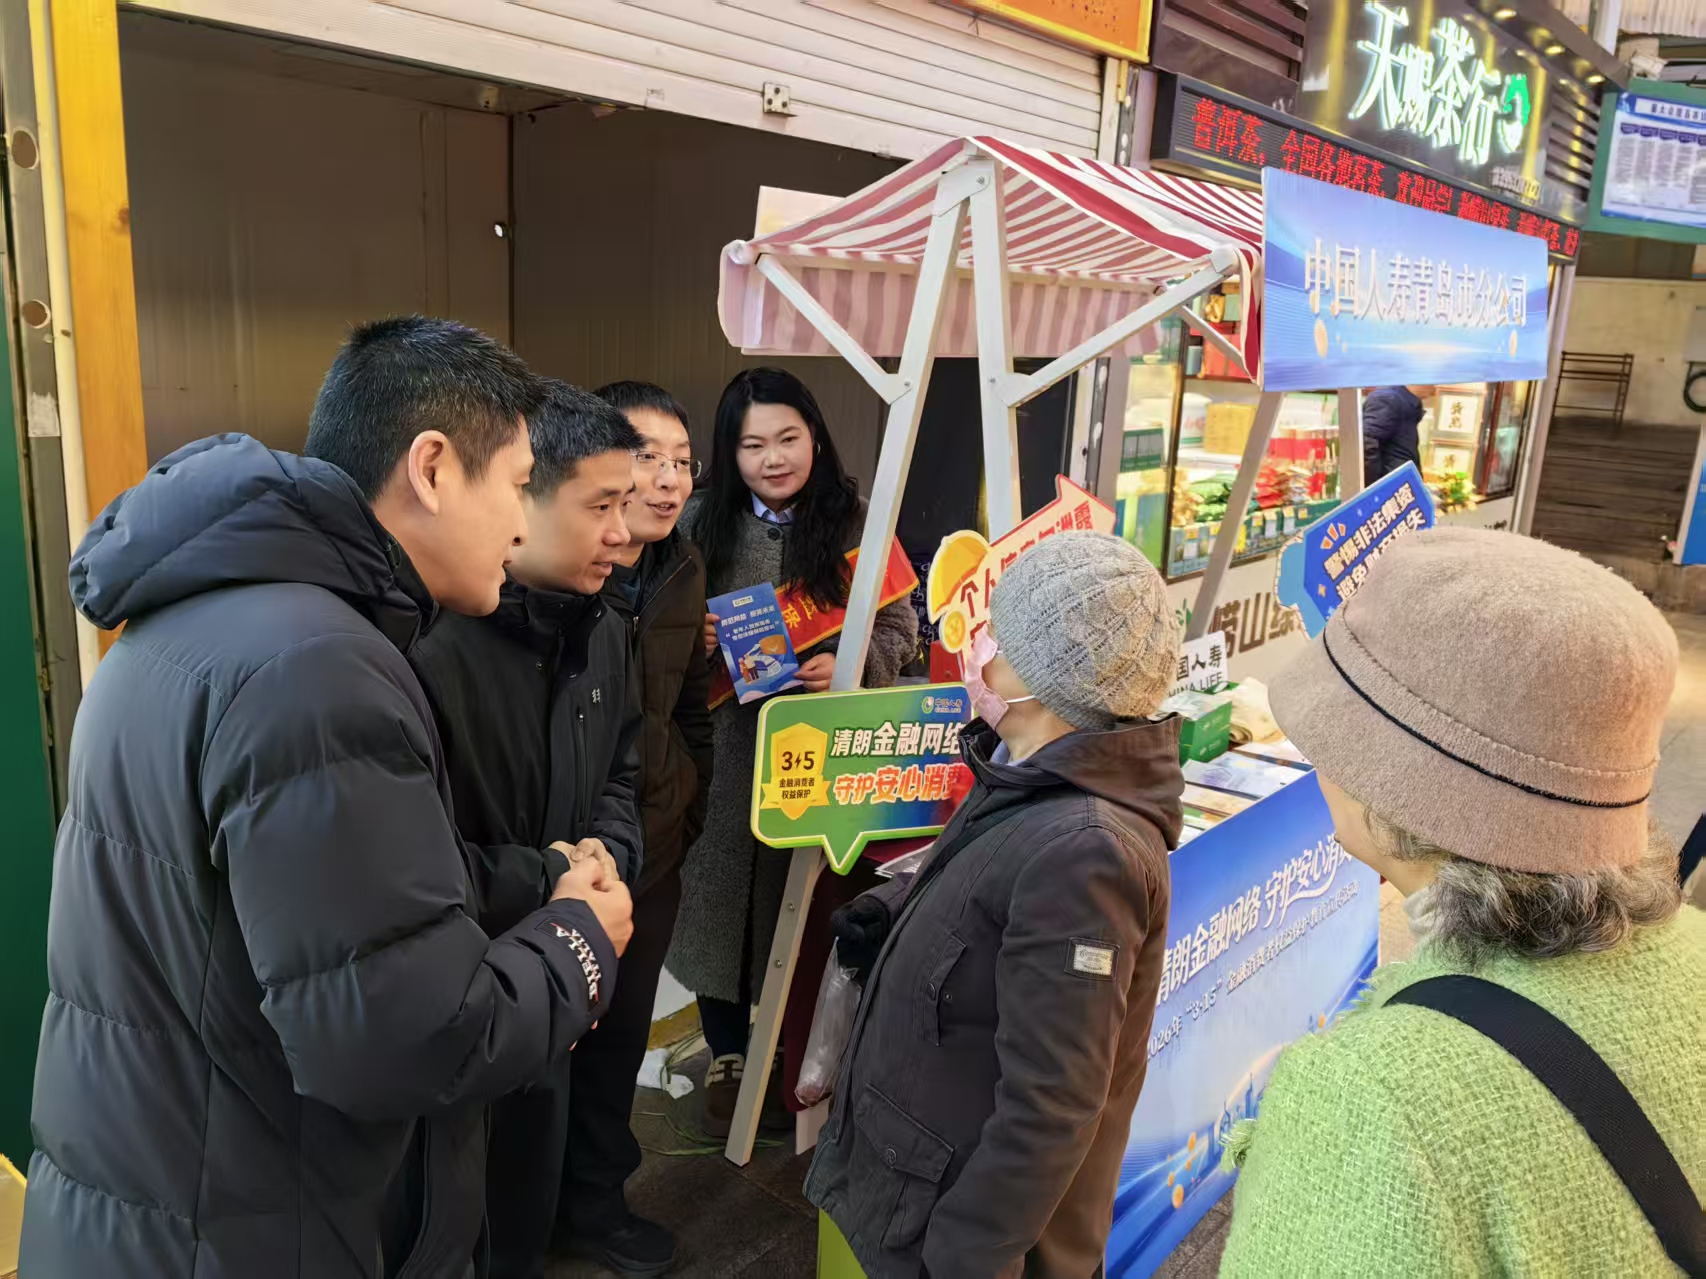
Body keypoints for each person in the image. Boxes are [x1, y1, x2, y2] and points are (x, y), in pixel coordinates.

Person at [21, 317, 633, 1279]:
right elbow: (404, 1043)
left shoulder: (215, 616)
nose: (522, 525)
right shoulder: (319, 667)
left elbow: (325, 916)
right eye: (517, 484)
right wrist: (579, 941)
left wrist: (535, 877)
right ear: (432, 468)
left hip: (166, 1203)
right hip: (251, 1229)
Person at [1220, 527, 1704, 1276]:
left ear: (1395, 787)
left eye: (1334, 731)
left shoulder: (1373, 1102)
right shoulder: (1693, 948)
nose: (1314, 754)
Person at [806, 531, 1184, 1278]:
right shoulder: (1025, 766)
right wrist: (898, 915)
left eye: (999, 638)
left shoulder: (1086, 849)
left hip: (947, 1235)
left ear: (1051, 678)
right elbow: (993, 909)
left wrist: (965, 1259)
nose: (977, 647)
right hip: (915, 1188)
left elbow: (1051, 1106)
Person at [409, 381, 646, 1279]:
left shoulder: (605, 628)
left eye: (627, 504)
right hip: (460, 997)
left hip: (558, 973)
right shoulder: (426, 646)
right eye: (601, 506)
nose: (623, 533)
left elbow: (622, 767)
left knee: (525, 1205)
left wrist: (607, 857)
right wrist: (549, 875)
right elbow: (416, 857)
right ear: (524, 498)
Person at [668, 366, 919, 1135]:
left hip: (820, 756)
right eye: (753, 445)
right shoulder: (697, 520)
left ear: (814, 435)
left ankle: (789, 1049)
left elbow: (902, 629)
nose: (773, 458)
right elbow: (649, 626)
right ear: (729, 450)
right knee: (714, 909)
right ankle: (727, 1051)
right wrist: (689, 636)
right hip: (720, 753)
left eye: (787, 438)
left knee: (802, 906)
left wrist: (849, 664)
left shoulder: (857, 522)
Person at [528, 380, 715, 1277]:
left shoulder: (682, 566)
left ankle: (596, 1206)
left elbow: (688, 707)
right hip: (565, 859)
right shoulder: (552, 576)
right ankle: (528, 1215)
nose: (668, 479)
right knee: (544, 1038)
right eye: (647, 457)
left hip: (656, 849)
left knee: (619, 1037)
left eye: (682, 461)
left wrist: (690, 802)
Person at [1361, 384, 1427, 482]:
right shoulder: (1387, 398)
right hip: (1389, 484)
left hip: (1398, 481)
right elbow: (1367, 443)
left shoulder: (1407, 402)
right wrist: (1374, 485)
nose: (1435, 386)